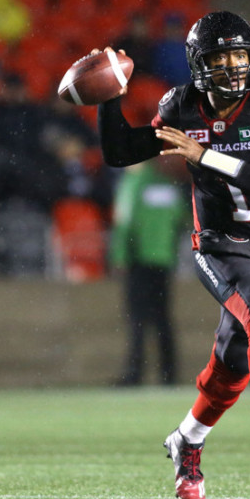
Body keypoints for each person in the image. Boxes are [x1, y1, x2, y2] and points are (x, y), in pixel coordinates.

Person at [96, 11, 250, 499]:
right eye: (222, 57)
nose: (235, 66)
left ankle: (186, 441)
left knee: (234, 361)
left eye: (241, 55)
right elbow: (120, 152)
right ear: (199, 63)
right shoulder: (182, 107)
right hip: (218, 245)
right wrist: (110, 98)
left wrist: (205, 157)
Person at [110, 160, 186, 386]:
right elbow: (182, 218)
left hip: (138, 259)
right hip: (163, 258)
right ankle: (168, 373)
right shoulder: (166, 184)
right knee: (162, 318)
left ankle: (135, 373)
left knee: (137, 319)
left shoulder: (133, 183)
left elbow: (125, 223)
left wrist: (120, 258)